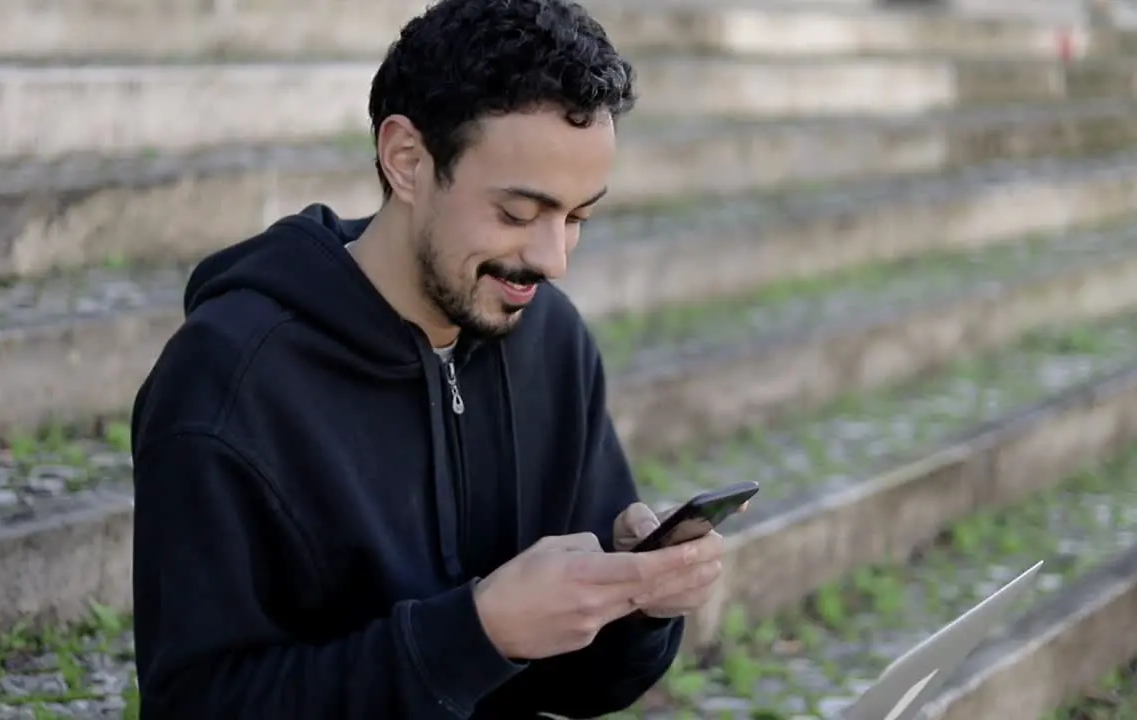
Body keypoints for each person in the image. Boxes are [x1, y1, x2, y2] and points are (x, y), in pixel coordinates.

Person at [129, 0, 729, 717]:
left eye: (578, 217)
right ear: (407, 160)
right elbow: (199, 704)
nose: (553, 259)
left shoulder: (550, 338)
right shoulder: (229, 380)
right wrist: (474, 634)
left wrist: (635, 604)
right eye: (517, 213)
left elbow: (582, 686)